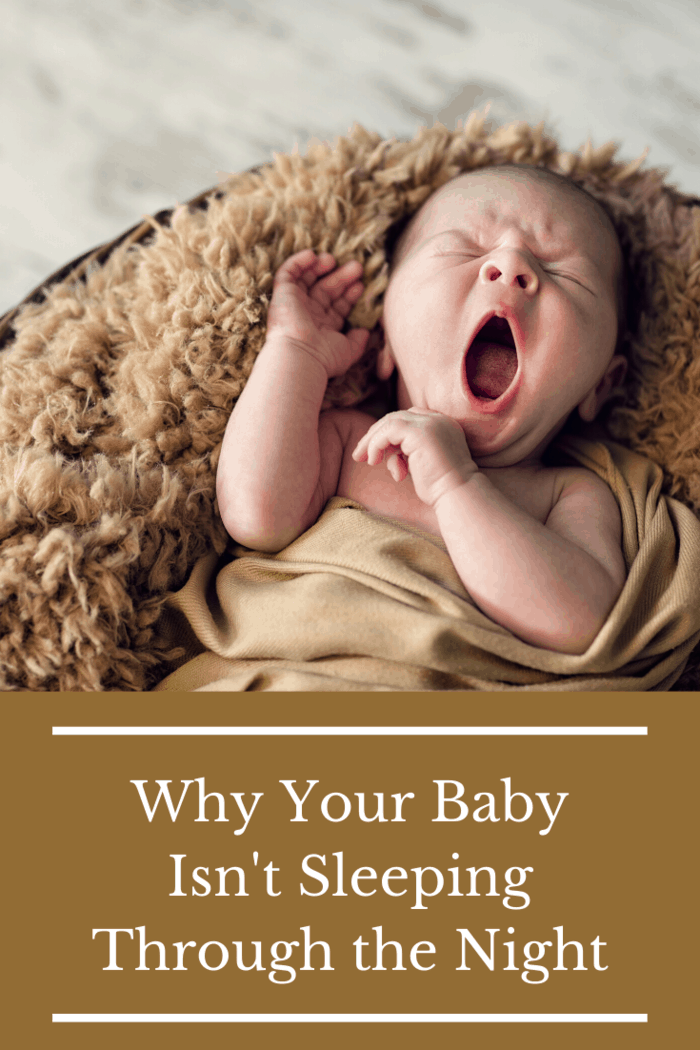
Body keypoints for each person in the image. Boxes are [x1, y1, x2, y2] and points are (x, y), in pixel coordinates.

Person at [216, 164, 630, 656]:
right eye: (466, 249)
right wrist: (293, 350)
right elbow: (254, 515)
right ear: (386, 340)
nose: (510, 266)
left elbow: (578, 621)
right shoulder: (350, 446)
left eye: (565, 272)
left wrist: (456, 485)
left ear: (601, 385)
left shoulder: (569, 496)